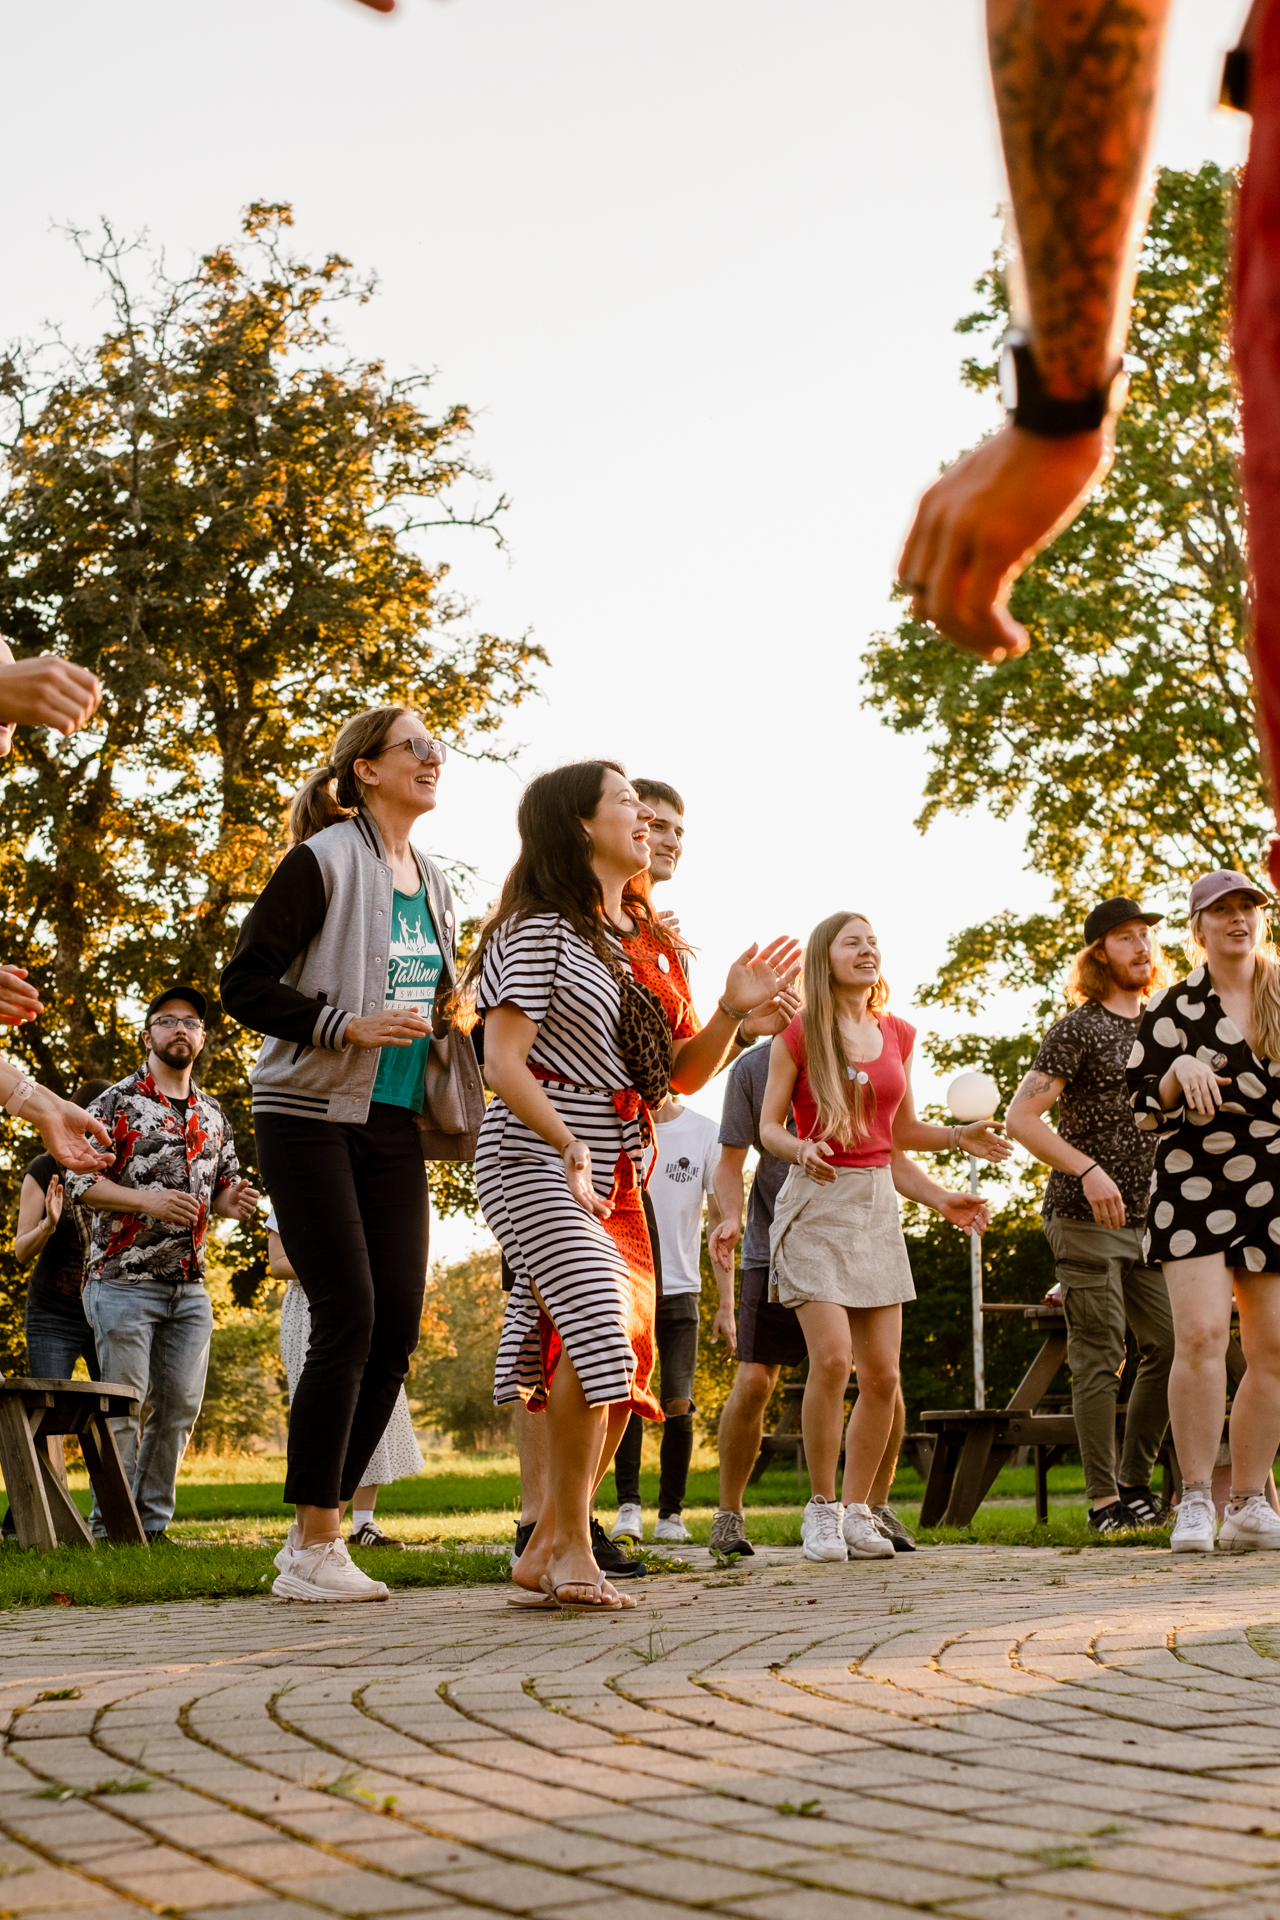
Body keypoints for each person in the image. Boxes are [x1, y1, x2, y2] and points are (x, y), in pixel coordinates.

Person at [462, 759, 798, 1609]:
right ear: (580, 825)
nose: (644, 818)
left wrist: (732, 1013)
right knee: (600, 1335)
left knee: (625, 1360)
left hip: (617, 1164)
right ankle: (572, 1549)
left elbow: (677, 1076)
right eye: (625, 804)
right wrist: (566, 1141)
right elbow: (502, 1063)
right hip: (535, 1154)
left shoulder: (641, 942)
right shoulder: (536, 929)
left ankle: (548, 1544)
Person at [222, 704, 461, 1603]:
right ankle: (320, 1539)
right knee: (348, 1313)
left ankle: (309, 1538)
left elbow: (432, 1002)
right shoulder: (320, 860)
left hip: (392, 1120)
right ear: (365, 768)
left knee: (395, 1327)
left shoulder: (435, 882)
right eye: (415, 747)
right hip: (307, 1112)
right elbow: (243, 982)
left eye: (437, 748)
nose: (433, 758)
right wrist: (342, 1025)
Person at [759, 911, 1006, 1563]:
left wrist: (951, 1163)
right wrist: (799, 1147)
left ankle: (859, 1511)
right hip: (815, 1205)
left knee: (883, 1376)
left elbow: (897, 1139)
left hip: (876, 1210)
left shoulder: (897, 1033)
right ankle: (820, 1509)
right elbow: (768, 1127)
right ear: (826, 958)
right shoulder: (799, 1033)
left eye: (873, 941)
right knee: (832, 1359)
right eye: (852, 942)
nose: (867, 950)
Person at [1006, 899, 1175, 1532]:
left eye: (1146, 936)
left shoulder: (1167, 1025)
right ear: (1100, 952)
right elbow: (1022, 1119)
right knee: (1101, 1353)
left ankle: (1135, 1483)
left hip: (1157, 1221)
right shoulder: (1078, 1028)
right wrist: (1086, 1169)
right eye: (1126, 937)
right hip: (1083, 1216)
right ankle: (1104, 1501)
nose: (1141, 947)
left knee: (1173, 1345)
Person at [65, 989, 258, 1543]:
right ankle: (112, 1529)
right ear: (147, 1034)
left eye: (190, 1022)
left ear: (202, 1038)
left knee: (178, 1410)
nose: (180, 1029)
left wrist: (233, 1201)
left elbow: (221, 1190)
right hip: (122, 1282)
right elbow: (80, 1181)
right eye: (167, 1020)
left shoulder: (212, 1113)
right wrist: (147, 1201)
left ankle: (150, 1527)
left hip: (189, 1287)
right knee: (122, 1410)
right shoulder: (115, 1103)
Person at [707, 1044, 912, 1558]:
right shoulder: (753, 1067)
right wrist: (729, 1217)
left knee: (882, 1378)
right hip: (774, 1242)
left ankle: (871, 1507)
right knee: (756, 1380)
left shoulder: (872, 1046)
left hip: (856, 1240)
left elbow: (894, 1145)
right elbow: (729, 1162)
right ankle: (729, 1515)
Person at [1128, 870, 1280, 1553]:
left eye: (1249, 907)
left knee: (1274, 1348)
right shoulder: (1174, 1005)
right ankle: (1194, 1500)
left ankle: (1247, 1504)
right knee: (1198, 1335)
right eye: (1222, 910)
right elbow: (1142, 1107)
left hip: (1275, 1179)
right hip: (1194, 1178)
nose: (1238, 918)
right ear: (1199, 928)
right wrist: (1177, 1071)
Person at [266, 1205, 423, 1549]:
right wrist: (342, 1264)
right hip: (311, 1309)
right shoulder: (290, 1201)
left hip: (367, 1303)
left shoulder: (367, 1199)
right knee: (326, 1410)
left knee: (376, 1406)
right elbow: (277, 1264)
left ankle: (363, 1522)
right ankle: (312, 1523)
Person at [610, 1092, 722, 1545]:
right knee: (628, 1396)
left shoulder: (705, 1133)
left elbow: (720, 1225)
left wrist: (727, 1307)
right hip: (630, 1287)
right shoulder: (619, 1124)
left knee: (679, 1401)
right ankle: (628, 1509)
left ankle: (671, 1515)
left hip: (682, 1289)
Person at [14, 1078, 112, 1379]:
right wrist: (48, 1226)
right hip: (53, 1314)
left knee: (119, 1406)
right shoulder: (44, 1169)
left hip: (109, 1312)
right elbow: (21, 1251)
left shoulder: (118, 1168)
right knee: (51, 1406)